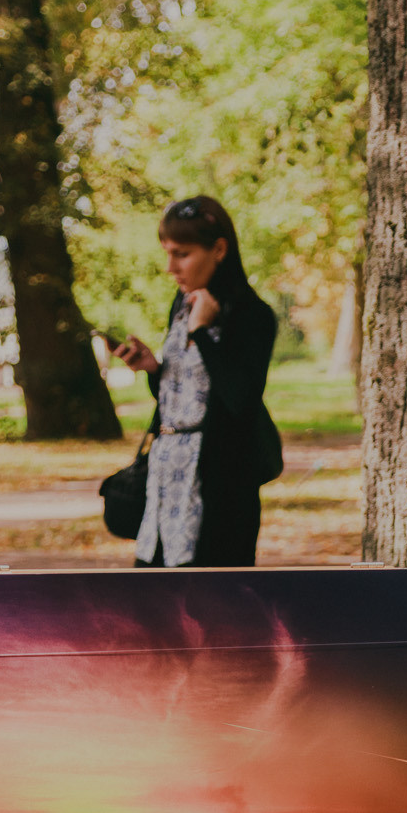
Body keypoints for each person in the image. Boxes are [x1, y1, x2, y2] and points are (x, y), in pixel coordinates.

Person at [112, 196, 283, 567]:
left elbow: (241, 401)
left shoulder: (253, 315)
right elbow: (179, 400)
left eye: (182, 254)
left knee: (214, 608)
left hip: (220, 488)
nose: (171, 267)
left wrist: (203, 332)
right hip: (165, 478)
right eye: (168, 253)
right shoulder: (182, 303)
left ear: (219, 249)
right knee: (155, 603)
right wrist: (154, 369)